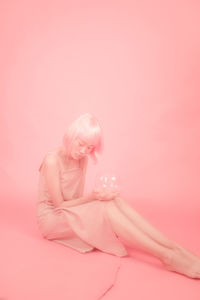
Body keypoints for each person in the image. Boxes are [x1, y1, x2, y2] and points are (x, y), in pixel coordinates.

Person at [36, 113, 200, 279]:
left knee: (113, 200)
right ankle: (167, 256)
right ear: (72, 136)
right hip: (52, 219)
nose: (84, 151)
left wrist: (99, 197)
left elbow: (75, 200)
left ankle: (173, 248)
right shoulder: (52, 160)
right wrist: (92, 198)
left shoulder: (82, 159)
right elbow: (60, 205)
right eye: (81, 144)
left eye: (89, 147)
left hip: (69, 210)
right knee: (103, 208)